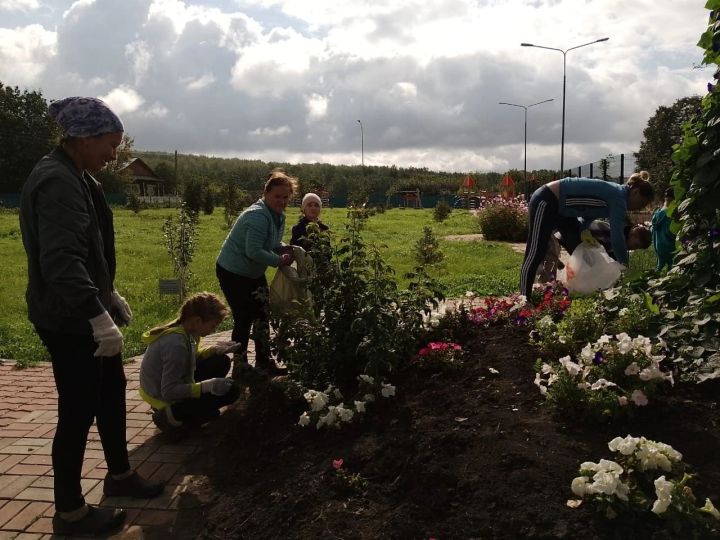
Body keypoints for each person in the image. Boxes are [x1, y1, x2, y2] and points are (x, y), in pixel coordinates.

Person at [19, 96, 163, 536]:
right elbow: (61, 262)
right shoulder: (56, 180)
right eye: (111, 145)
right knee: (78, 411)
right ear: (83, 138)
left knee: (110, 392)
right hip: (67, 319)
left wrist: (108, 292)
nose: (114, 155)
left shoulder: (81, 177)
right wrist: (95, 315)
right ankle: (70, 514)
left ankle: (119, 475)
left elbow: (88, 250)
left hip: (82, 308)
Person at [520, 172, 654, 299]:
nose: (638, 208)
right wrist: (624, 266)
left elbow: (588, 215)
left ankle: (577, 288)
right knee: (536, 250)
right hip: (547, 200)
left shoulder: (616, 197)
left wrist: (583, 232)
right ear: (635, 192)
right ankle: (524, 297)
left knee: (581, 249)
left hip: (563, 212)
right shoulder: (619, 197)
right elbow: (617, 235)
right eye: (641, 203)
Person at [216, 168, 296, 378]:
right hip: (232, 271)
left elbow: (270, 242)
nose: (281, 201)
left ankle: (263, 362)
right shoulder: (258, 216)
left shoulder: (278, 215)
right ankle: (240, 368)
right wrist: (279, 260)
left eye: (286, 197)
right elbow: (254, 251)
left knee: (262, 315)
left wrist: (284, 247)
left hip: (252, 272)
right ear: (265, 193)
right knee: (244, 318)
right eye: (277, 196)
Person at [139, 292, 241, 435]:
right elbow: (169, 392)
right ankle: (171, 417)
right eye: (212, 326)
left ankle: (194, 413)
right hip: (163, 399)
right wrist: (208, 386)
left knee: (221, 361)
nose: (214, 330)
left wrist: (215, 350)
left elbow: (190, 358)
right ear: (198, 321)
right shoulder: (176, 344)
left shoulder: (188, 332)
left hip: (167, 388)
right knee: (231, 391)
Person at [538, 221, 651, 283]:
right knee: (549, 269)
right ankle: (540, 298)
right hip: (557, 234)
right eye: (635, 245)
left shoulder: (617, 238)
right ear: (632, 234)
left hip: (569, 240)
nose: (633, 249)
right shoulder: (611, 236)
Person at [651, 187, 676, 271]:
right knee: (672, 268)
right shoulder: (670, 214)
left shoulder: (658, 212)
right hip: (670, 246)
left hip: (658, 246)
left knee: (660, 267)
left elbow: (652, 230)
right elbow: (670, 232)